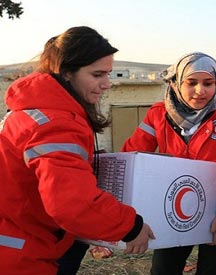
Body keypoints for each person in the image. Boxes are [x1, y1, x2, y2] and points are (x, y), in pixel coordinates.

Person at [0, 26, 155, 275]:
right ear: (67, 73)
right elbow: (71, 203)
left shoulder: (33, 109)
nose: (106, 84)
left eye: (108, 74)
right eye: (97, 75)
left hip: (18, 235)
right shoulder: (56, 122)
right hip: (23, 253)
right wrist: (131, 227)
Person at [121, 52, 216, 275]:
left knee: (213, 271)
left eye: (208, 83)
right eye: (191, 83)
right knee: (163, 270)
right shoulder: (158, 114)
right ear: (176, 82)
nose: (200, 91)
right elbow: (132, 156)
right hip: (172, 212)